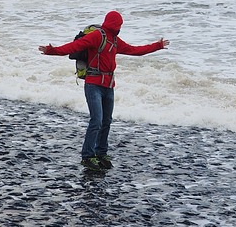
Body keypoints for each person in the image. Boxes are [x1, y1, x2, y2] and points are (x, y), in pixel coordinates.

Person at [39, 11, 168, 172]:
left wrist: (157, 46)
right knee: (96, 121)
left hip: (109, 86)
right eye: (119, 25)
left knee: (106, 121)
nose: (120, 28)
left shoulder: (114, 40)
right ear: (115, 25)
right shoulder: (97, 36)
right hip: (93, 84)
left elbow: (134, 50)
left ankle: (101, 154)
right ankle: (87, 156)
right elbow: (74, 47)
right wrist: (52, 51)